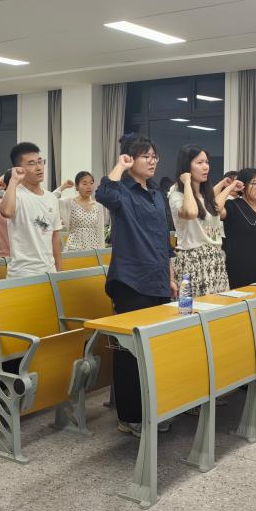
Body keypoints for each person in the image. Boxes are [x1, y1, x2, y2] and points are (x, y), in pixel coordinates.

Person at [96, 133, 176, 437]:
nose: (152, 161)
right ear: (130, 159)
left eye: (155, 156)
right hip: (130, 280)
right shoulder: (122, 192)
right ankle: (129, 416)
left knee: (154, 350)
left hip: (158, 279)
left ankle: (150, 408)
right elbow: (104, 194)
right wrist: (120, 166)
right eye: (146, 156)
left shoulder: (156, 193)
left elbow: (164, 241)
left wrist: (170, 276)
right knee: (129, 352)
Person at [169, 145, 238, 296]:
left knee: (219, 306)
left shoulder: (204, 195)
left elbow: (215, 207)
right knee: (197, 307)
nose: (205, 167)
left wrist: (227, 185)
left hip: (214, 259)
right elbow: (191, 212)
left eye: (206, 162)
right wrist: (187, 182)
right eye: (199, 163)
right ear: (187, 166)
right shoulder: (177, 194)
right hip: (193, 260)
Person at [0, 142, 62, 278]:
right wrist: (13, 180)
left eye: (40, 162)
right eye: (31, 163)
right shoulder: (16, 194)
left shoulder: (51, 198)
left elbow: (55, 237)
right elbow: (6, 212)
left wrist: (58, 271)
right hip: (22, 273)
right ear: (19, 169)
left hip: (50, 272)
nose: (39, 167)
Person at [59, 171, 108, 252]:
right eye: (85, 184)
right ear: (77, 187)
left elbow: (100, 232)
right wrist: (62, 187)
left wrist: (102, 251)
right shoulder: (69, 202)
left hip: (93, 247)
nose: (89, 187)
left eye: (91, 183)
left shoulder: (98, 206)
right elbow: (49, 200)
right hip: (74, 247)